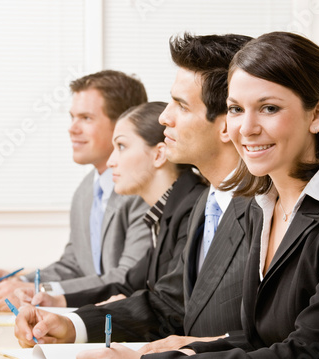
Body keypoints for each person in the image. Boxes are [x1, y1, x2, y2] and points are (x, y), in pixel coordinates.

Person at [74, 32, 319, 359]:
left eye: (269, 108)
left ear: (316, 115)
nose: (247, 128)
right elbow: (262, 338)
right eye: (237, 109)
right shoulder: (264, 206)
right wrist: (188, 349)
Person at [13, 33, 253, 348]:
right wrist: (71, 324)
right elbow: (168, 304)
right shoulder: (205, 206)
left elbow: (275, 339)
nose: (164, 117)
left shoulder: (262, 207)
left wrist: (180, 358)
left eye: (180, 105)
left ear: (228, 121)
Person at [0, 70, 151, 312]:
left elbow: (125, 277)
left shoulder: (144, 191)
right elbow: (74, 263)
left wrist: (41, 291)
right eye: (72, 117)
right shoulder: (86, 191)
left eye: (86, 118)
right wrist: (22, 281)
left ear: (124, 124)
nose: (72, 128)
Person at [13, 101, 207, 309]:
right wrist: (57, 301)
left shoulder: (190, 210)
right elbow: (126, 285)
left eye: (121, 147)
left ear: (159, 155)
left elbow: (167, 306)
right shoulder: (163, 214)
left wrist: (78, 323)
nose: (112, 161)